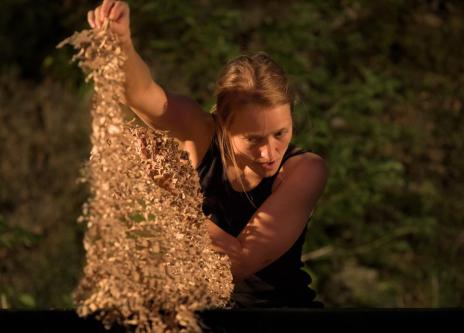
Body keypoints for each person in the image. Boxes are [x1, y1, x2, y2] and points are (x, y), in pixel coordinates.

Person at [87, 0, 328, 308]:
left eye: (280, 133)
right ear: (224, 124)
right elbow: (140, 93)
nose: (269, 152)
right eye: (252, 138)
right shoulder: (197, 133)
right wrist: (121, 43)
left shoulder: (305, 170)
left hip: (281, 317)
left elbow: (235, 265)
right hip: (202, 315)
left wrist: (171, 194)